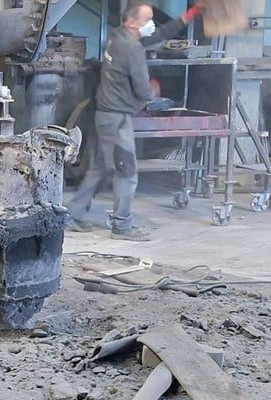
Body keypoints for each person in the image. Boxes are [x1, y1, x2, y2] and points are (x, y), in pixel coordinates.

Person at [68, 0, 203, 240]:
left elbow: (157, 35)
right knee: (127, 172)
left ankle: (73, 215)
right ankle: (121, 225)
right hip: (118, 119)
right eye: (147, 20)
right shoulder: (131, 48)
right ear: (132, 22)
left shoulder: (119, 36)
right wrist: (155, 90)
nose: (151, 24)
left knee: (98, 169)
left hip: (104, 115)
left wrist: (189, 15)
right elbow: (143, 89)